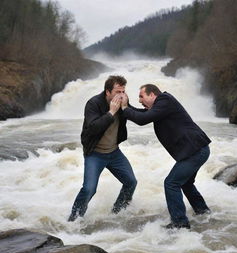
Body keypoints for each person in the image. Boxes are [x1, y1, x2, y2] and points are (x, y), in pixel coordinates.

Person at [121, 84, 211, 229]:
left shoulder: (164, 100)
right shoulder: (160, 105)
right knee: (186, 183)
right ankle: (203, 213)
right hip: (196, 150)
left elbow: (142, 119)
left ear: (152, 95)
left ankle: (180, 223)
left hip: (195, 151)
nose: (139, 100)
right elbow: (141, 114)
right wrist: (125, 105)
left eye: (141, 96)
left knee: (171, 183)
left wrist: (125, 108)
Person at [68, 75, 137, 222]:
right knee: (89, 189)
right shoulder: (93, 103)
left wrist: (155, 110)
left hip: (114, 152)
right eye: (118, 92)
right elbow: (93, 128)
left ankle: (117, 213)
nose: (121, 95)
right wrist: (111, 112)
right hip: (95, 154)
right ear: (107, 92)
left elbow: (136, 115)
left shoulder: (123, 101)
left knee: (131, 182)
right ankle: (73, 221)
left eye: (123, 91)